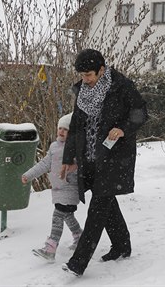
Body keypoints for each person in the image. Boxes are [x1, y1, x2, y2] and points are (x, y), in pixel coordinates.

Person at [60, 48, 147, 277]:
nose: (85, 79)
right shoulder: (81, 91)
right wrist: (69, 157)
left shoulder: (121, 86)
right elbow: (77, 124)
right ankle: (122, 245)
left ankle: (78, 263)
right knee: (104, 199)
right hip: (90, 156)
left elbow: (141, 112)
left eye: (89, 75)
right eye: (82, 75)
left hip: (115, 156)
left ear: (101, 70)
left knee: (99, 206)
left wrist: (123, 128)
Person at [21, 113, 82, 262]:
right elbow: (44, 164)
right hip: (57, 189)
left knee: (57, 216)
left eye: (65, 129)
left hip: (69, 188)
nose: (61, 131)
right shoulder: (54, 147)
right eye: (59, 128)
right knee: (67, 216)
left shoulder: (75, 147)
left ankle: (51, 247)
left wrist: (76, 167)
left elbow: (85, 162)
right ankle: (80, 237)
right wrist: (28, 175)